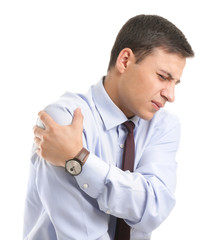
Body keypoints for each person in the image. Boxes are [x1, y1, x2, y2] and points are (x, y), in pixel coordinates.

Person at [23, 14, 194, 240]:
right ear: (125, 61)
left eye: (175, 83)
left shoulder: (164, 125)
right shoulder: (62, 120)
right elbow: (81, 234)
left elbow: (154, 207)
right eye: (163, 77)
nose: (170, 95)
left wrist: (79, 159)